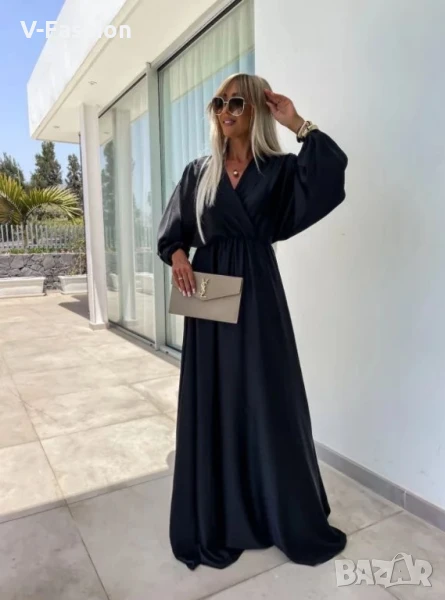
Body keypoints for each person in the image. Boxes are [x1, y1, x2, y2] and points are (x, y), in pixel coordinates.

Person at [157, 73, 348, 570]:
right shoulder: (198, 172)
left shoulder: (279, 170)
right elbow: (172, 232)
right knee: (215, 396)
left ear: (257, 110)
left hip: (259, 290)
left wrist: (297, 122)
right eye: (218, 103)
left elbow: (329, 174)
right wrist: (178, 256)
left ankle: (274, 510)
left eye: (237, 102)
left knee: (267, 395)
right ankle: (220, 513)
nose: (225, 111)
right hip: (209, 291)